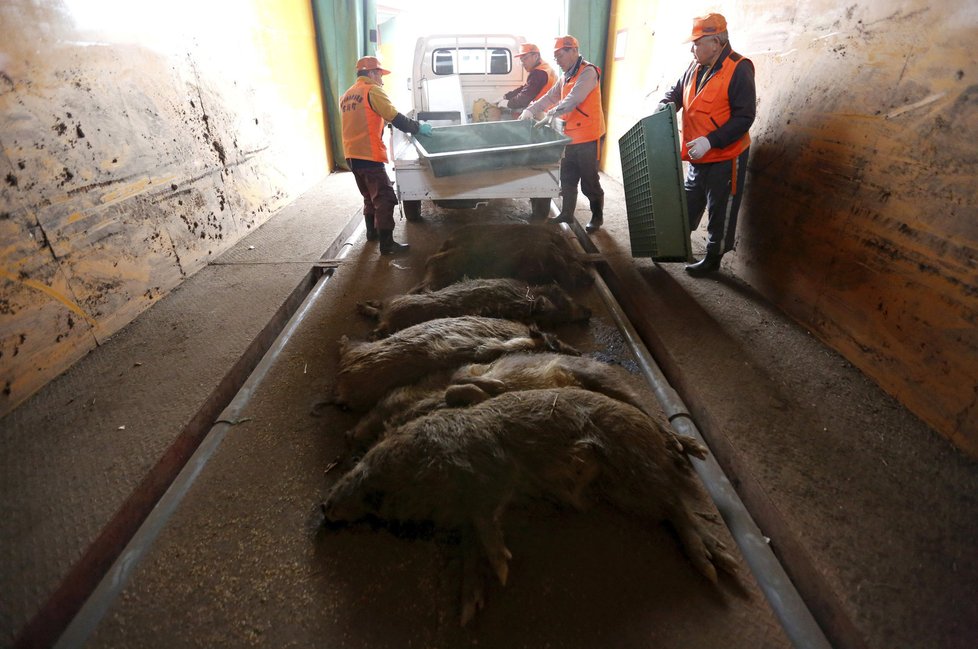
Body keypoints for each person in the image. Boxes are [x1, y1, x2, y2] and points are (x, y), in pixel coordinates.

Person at [658, 13, 755, 277]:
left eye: (698, 43)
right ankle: (674, 246)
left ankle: (713, 261)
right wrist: (665, 105)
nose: (693, 48)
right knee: (688, 202)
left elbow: (745, 117)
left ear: (716, 42)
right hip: (697, 154)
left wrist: (711, 141)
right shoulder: (695, 66)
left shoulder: (739, 68)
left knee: (719, 210)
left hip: (726, 155)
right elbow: (676, 92)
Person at [340, 55, 433, 256]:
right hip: (369, 155)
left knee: (368, 196)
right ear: (372, 73)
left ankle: (372, 234)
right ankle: (387, 245)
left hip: (351, 155)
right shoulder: (373, 91)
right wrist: (417, 128)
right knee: (385, 198)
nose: (382, 79)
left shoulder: (347, 94)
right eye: (381, 74)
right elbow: (394, 117)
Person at [520, 35, 606, 233]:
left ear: (573, 51)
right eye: (555, 56)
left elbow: (574, 98)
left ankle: (597, 216)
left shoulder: (588, 72)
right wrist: (531, 109)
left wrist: (551, 114)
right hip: (568, 136)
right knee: (567, 177)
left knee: (589, 179)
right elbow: (551, 96)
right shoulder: (565, 75)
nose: (557, 59)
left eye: (560, 55)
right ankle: (567, 213)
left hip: (588, 136)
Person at [496, 43, 557, 112]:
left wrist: (507, 103)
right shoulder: (545, 67)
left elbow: (523, 99)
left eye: (525, 58)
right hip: (547, 109)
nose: (522, 63)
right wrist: (506, 96)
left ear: (536, 56)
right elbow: (525, 88)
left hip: (544, 112)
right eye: (521, 60)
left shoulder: (539, 73)